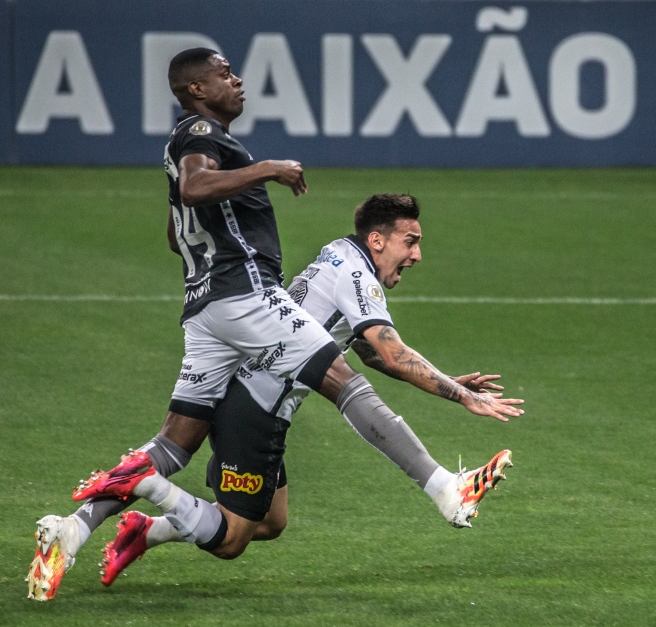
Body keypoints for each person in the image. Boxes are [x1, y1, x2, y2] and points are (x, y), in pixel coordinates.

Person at [26, 48, 522, 600]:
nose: (237, 81)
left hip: (206, 309)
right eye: (224, 74)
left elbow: (178, 229)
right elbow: (378, 349)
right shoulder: (199, 135)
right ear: (195, 88)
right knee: (329, 405)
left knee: (195, 458)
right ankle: (446, 491)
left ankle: (76, 529)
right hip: (245, 300)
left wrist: (450, 382)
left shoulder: (186, 145)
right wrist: (269, 169)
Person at [82, 193, 520, 586]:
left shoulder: (340, 254)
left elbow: (367, 351)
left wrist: (445, 380)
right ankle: (447, 488)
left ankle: (145, 529)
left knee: (271, 522)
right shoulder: (356, 274)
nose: (418, 255)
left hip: (258, 404)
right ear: (377, 240)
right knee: (232, 540)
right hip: (252, 410)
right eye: (411, 241)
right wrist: (463, 397)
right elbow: (388, 352)